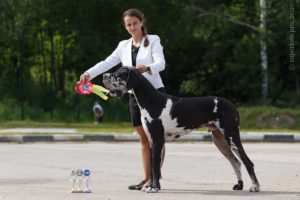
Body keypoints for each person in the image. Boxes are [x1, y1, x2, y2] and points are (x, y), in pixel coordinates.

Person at [80, 8, 166, 190]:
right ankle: (146, 177)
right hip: (134, 96)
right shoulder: (123, 45)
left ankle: (155, 179)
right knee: (144, 138)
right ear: (125, 26)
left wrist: (147, 68)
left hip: (154, 94)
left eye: (135, 23)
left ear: (141, 22)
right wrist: (89, 73)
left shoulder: (153, 40)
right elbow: (107, 62)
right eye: (129, 25)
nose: (132, 27)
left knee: (156, 138)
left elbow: (161, 64)